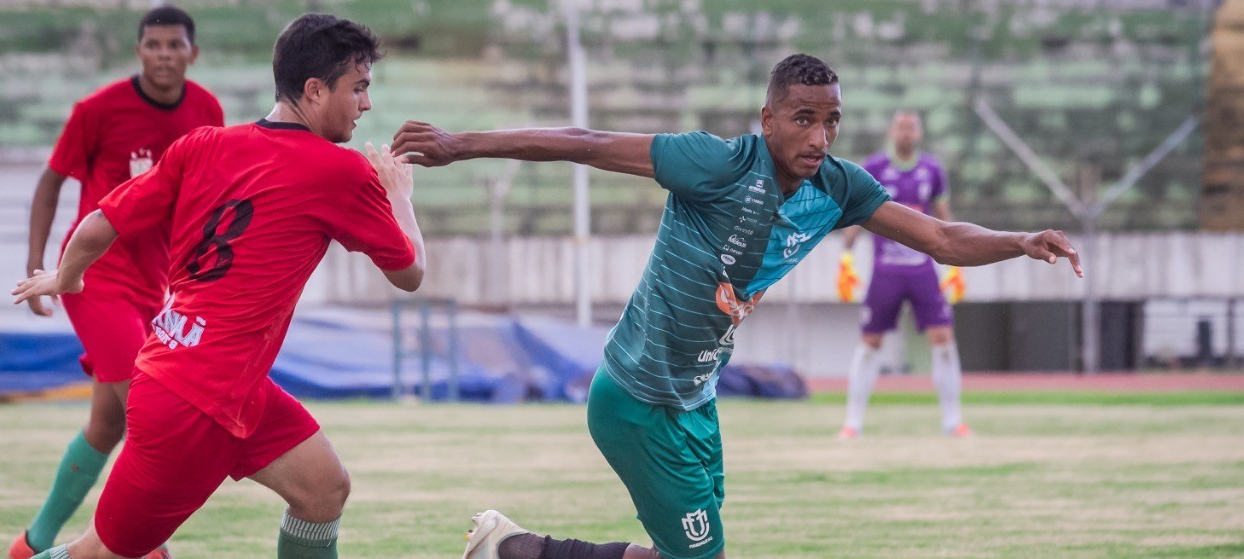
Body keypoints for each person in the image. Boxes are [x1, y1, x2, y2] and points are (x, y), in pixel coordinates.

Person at [392, 54, 1081, 559]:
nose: (819, 138)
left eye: (832, 121)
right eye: (804, 119)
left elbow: (937, 236)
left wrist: (1019, 239)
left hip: (695, 400)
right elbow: (589, 144)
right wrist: (460, 144)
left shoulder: (838, 186)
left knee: (682, 554)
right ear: (769, 118)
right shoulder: (715, 163)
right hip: (635, 400)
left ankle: (516, 550)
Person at [11, 13, 424, 559]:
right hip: (195, 402)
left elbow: (99, 223)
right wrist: (400, 196)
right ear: (315, 89)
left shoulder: (201, 142)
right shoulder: (340, 172)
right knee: (102, 554)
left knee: (323, 488)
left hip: (217, 381)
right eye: (360, 87)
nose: (366, 104)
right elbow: (411, 273)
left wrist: (66, 277)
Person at [12, 5, 223, 558]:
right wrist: (41, 266)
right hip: (92, 279)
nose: (163, 55)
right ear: (139, 51)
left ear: (191, 53)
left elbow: (211, 199)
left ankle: (30, 545)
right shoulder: (97, 110)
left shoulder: (207, 111)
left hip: (156, 288)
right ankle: (141, 546)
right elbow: (51, 182)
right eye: (153, 45)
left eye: (174, 45)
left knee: (107, 425)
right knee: (151, 412)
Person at [837, 109, 969, 439]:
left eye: (911, 127)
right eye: (901, 127)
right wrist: (846, 257)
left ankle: (953, 421)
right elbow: (855, 214)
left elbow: (943, 216)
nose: (906, 133)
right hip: (886, 271)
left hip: (922, 270)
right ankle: (853, 423)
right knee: (870, 341)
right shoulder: (874, 168)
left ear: (919, 134)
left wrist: (954, 263)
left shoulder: (932, 170)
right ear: (891, 132)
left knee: (943, 339)